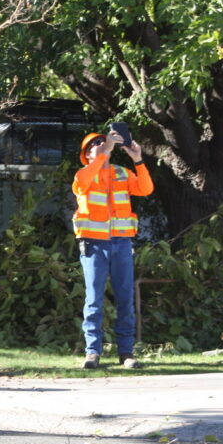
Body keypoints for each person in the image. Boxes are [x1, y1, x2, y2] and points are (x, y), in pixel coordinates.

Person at [72, 128, 154, 370]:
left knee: (125, 299)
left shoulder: (122, 173)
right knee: (94, 299)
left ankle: (126, 353)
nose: (102, 144)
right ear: (87, 155)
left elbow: (146, 189)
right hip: (94, 244)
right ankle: (92, 353)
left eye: (103, 141)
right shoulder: (84, 174)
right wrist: (102, 155)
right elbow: (82, 184)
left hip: (121, 244)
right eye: (95, 144)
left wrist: (137, 159)